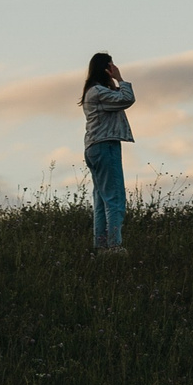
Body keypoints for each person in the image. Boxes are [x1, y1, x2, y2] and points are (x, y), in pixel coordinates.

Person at [80, 52, 135, 255]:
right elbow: (127, 98)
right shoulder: (99, 92)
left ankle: (101, 246)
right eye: (111, 66)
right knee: (114, 197)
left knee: (102, 199)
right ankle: (114, 246)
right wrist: (120, 79)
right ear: (105, 69)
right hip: (105, 146)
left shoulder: (92, 92)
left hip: (94, 147)